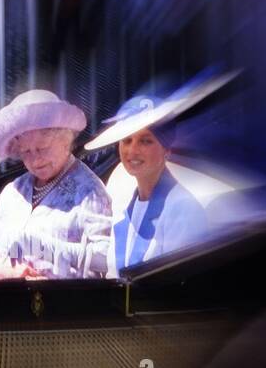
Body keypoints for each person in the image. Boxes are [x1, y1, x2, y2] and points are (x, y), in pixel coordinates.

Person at [0, 89, 111, 282]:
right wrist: (8, 272)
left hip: (57, 295)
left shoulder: (89, 191)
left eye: (42, 148)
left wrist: (44, 247)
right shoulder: (15, 190)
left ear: (66, 140)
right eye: (26, 152)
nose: (35, 159)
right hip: (5, 285)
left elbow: (104, 259)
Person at [85, 95, 209, 276]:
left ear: (167, 150)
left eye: (145, 141)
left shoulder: (184, 210)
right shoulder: (123, 207)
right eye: (126, 140)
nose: (132, 151)